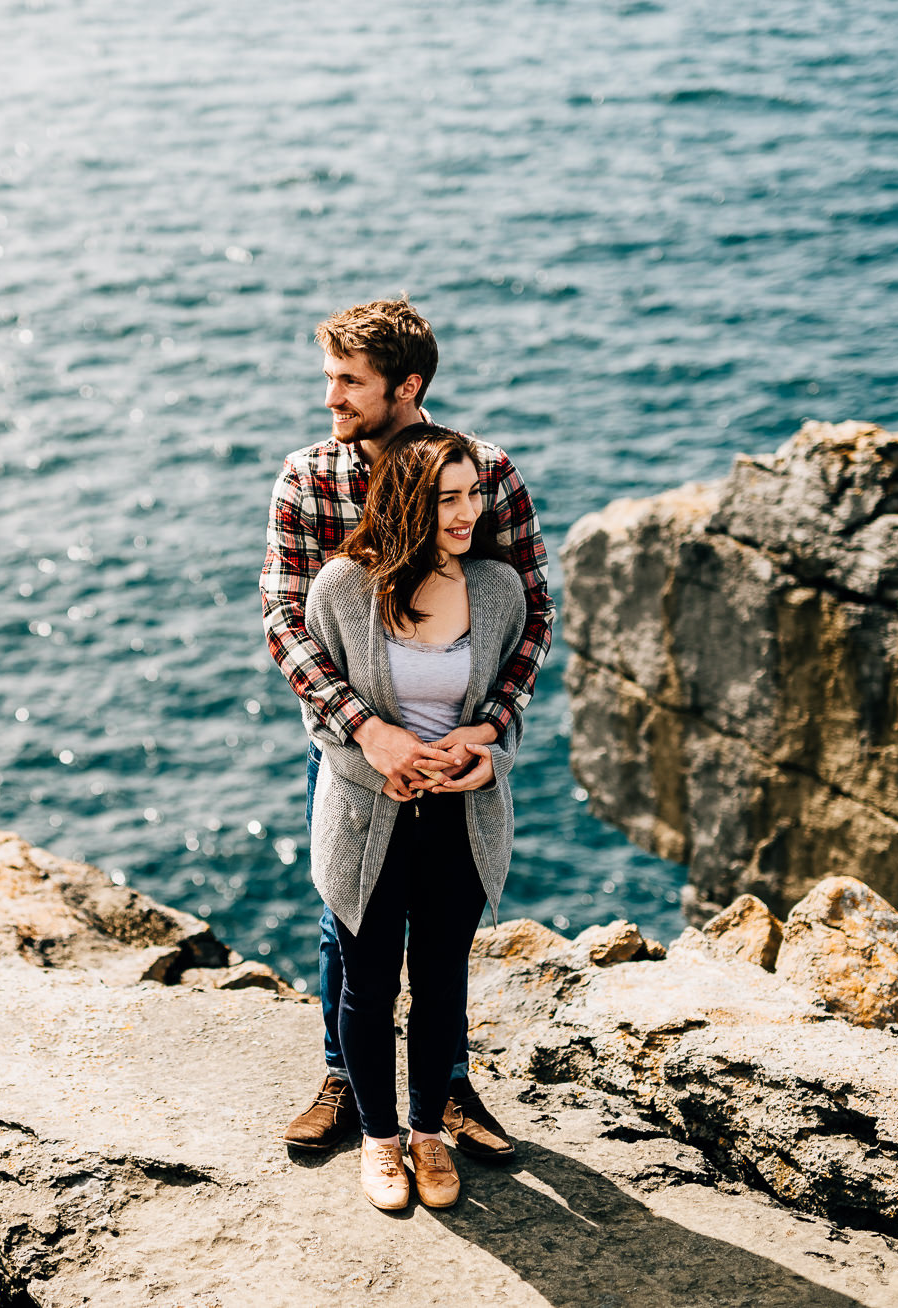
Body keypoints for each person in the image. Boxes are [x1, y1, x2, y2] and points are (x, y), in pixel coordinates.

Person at [259, 299, 554, 1158]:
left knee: (444, 933)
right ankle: (347, 1081)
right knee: (345, 912)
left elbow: (529, 607)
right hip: (352, 750)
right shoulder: (310, 476)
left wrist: (492, 731)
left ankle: (446, 1087)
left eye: (349, 382)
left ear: (407, 386)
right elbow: (285, 619)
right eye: (330, 379)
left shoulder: (484, 471)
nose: (331, 400)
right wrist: (364, 732)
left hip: (459, 737)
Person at [299, 428, 527, 1209]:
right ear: (404, 505)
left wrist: (485, 748)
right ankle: (378, 1141)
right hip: (368, 819)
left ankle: (429, 1135)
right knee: (366, 985)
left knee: (439, 984)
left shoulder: (499, 589)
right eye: (447, 499)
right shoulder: (339, 589)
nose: (469, 513)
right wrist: (381, 764)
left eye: (474, 495)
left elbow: (510, 704)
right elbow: (322, 719)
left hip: (463, 819)